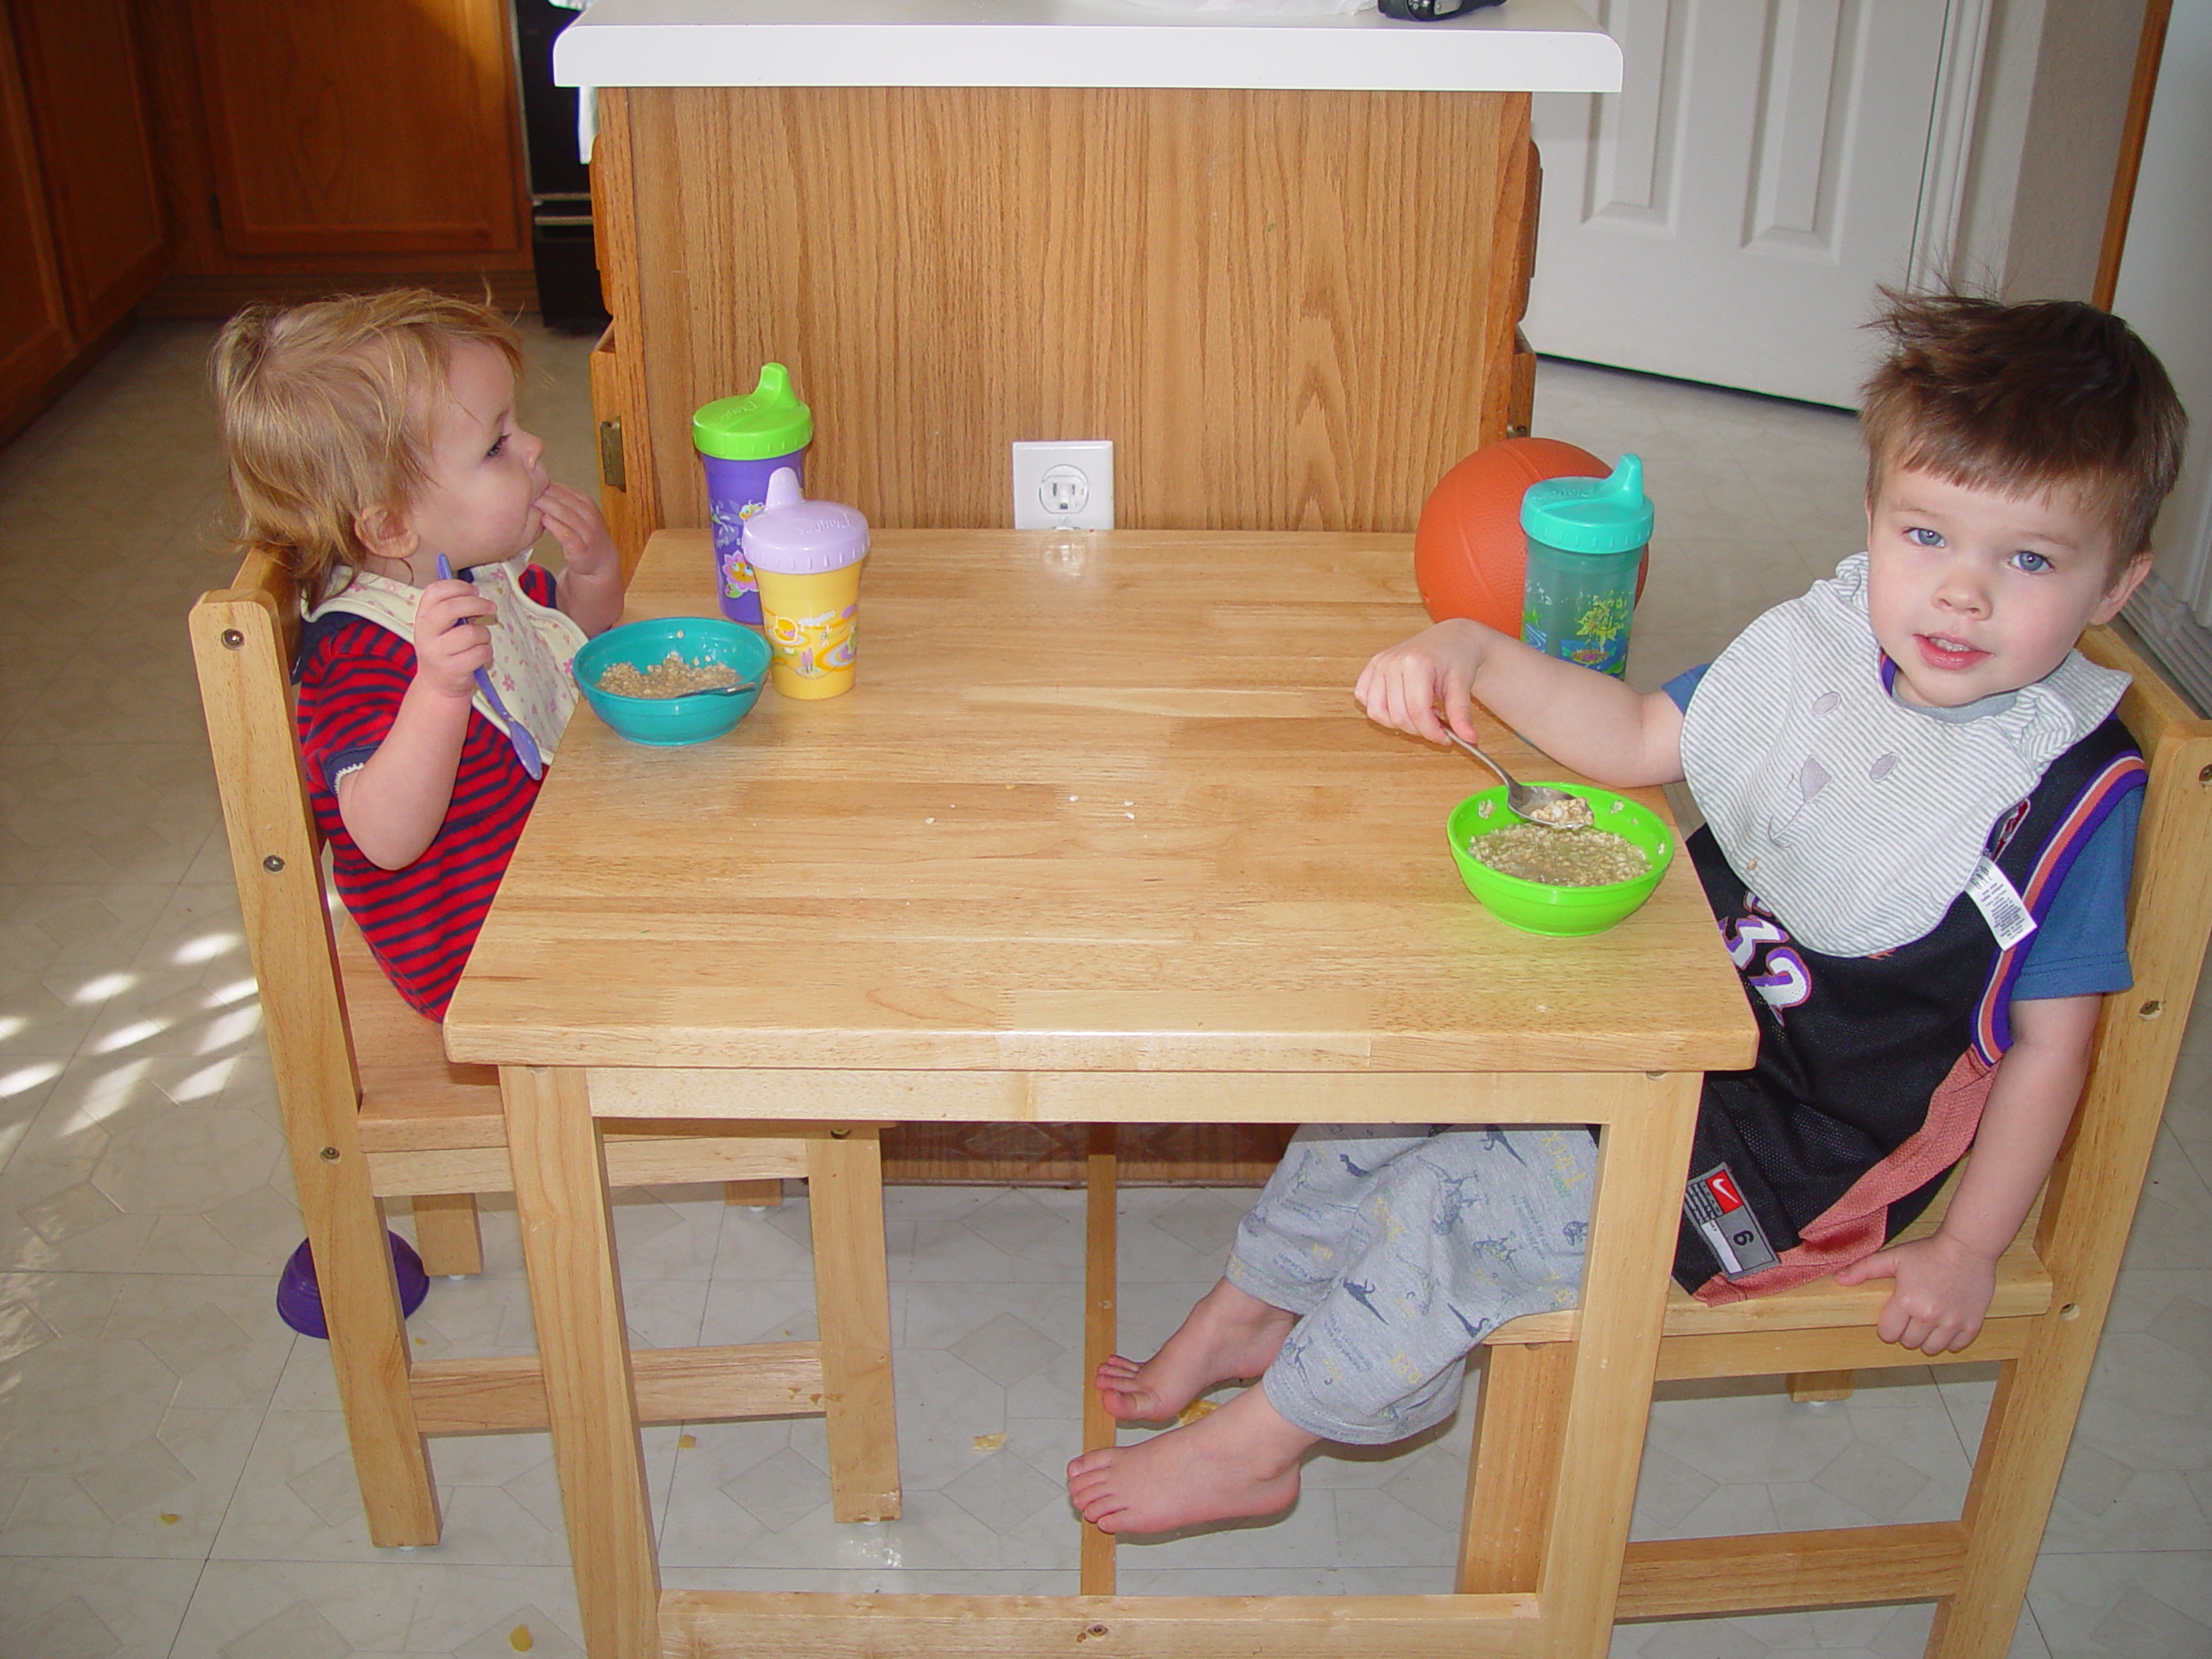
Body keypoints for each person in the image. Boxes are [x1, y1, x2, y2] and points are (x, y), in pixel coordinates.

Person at [1067, 292, 2187, 1537]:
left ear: (2115, 585)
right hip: (1671, 1006)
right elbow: (1643, 735)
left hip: (1788, 1146)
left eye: (2029, 560)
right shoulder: (1817, 658)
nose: (1962, 596)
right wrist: (1477, 651)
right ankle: (1259, 1299)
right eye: (1928, 535)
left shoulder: (2069, 798)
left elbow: (2050, 1048)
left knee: (1462, 1197)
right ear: (1871, 519)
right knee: (1401, 1073)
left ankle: (1267, 1443)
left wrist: (1969, 1247)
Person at [212, 289, 623, 1019]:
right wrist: (436, 694)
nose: (532, 448)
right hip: (480, 955)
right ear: (393, 524)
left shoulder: (471, 570)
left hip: (551, 877)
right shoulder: (357, 654)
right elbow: (386, 837)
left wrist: (590, 578)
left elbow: (569, 654)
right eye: (497, 445)